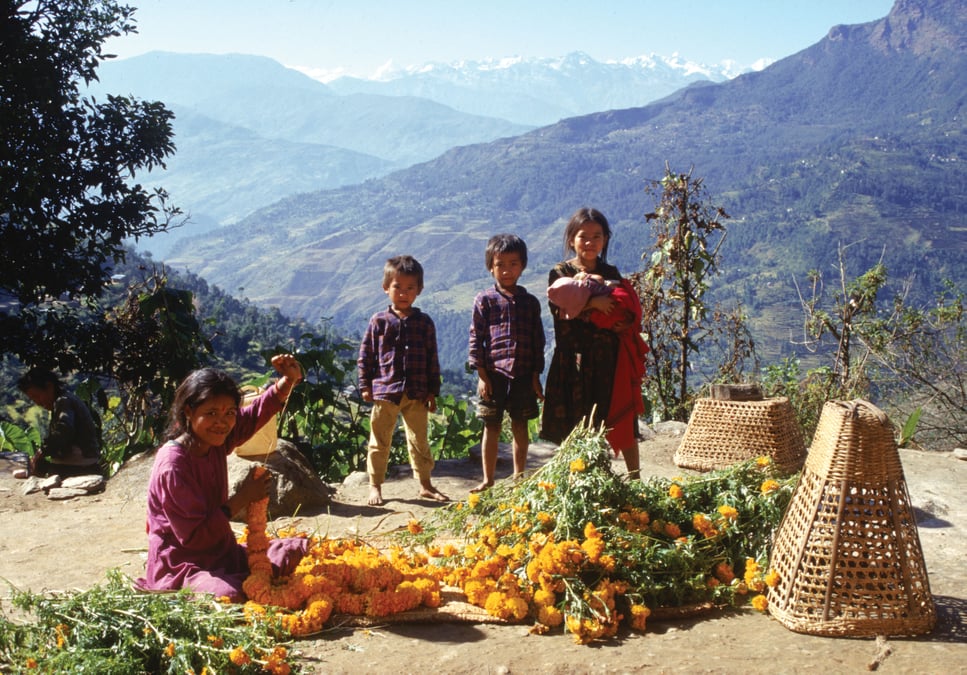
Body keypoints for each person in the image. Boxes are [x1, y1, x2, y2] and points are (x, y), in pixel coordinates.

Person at [138, 354, 308, 601]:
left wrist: (287, 382)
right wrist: (243, 497)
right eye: (211, 413)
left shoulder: (213, 441)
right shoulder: (173, 466)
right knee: (230, 594)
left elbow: (253, 416)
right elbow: (194, 538)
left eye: (229, 412)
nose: (222, 422)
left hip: (220, 551)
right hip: (182, 563)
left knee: (296, 549)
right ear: (189, 411)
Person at [540, 207, 646, 478]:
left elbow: (621, 306)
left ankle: (634, 477)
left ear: (605, 239)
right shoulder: (560, 272)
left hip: (608, 360)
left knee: (619, 418)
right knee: (578, 423)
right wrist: (594, 302)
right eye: (582, 236)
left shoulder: (610, 271)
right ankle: (578, 478)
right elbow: (562, 310)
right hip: (574, 361)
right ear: (571, 240)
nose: (589, 243)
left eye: (596, 236)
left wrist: (624, 321)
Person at [357, 255, 449, 506]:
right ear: (386, 288)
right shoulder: (379, 321)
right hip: (386, 391)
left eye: (410, 288)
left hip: (417, 392)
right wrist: (365, 384)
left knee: (419, 440)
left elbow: (432, 358)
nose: (403, 293)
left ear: (419, 290)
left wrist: (433, 391)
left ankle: (425, 484)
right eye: (398, 287)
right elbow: (366, 354)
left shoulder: (424, 323)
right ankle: (375, 485)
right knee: (380, 440)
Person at [468, 234, 545, 492]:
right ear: (491, 266)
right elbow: (476, 338)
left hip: (523, 374)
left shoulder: (530, 303)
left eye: (513, 264)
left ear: (522, 265)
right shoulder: (485, 300)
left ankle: (518, 476)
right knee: (491, 425)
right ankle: (488, 479)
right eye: (500, 264)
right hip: (494, 373)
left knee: (520, 424)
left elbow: (538, 341)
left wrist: (535, 376)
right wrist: (481, 375)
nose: (507, 270)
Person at [15, 368, 102, 478]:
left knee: (41, 470)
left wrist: (42, 451)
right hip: (80, 462)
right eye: (33, 399)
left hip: (80, 464)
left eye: (37, 396)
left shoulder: (64, 401)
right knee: (40, 467)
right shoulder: (62, 401)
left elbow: (64, 430)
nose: (37, 402)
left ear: (49, 387)